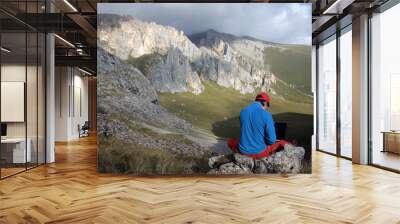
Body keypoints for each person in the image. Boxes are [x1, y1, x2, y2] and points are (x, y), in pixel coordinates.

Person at [227, 92, 289, 159]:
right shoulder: (266, 114)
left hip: (242, 151)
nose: (266, 108)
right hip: (259, 153)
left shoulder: (243, 111)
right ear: (264, 103)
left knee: (231, 141)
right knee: (283, 143)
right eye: (267, 105)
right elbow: (271, 140)